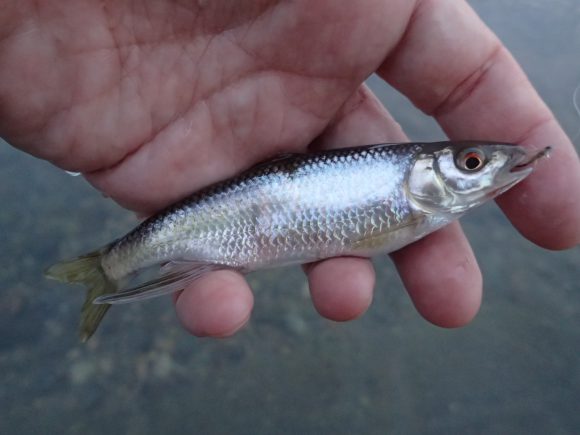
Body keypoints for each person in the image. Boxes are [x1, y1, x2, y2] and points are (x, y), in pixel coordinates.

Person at [1, 1, 579, 338]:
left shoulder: (419, 207)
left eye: (473, 162)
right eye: (472, 163)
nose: (480, 170)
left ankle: (110, 270)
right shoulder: (410, 205)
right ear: (429, 172)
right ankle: (109, 268)